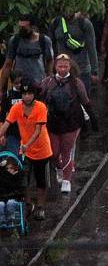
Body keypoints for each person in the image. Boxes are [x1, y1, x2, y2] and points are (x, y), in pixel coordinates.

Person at [38, 55, 91, 195]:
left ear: (70, 67)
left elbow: (85, 100)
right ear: (55, 66)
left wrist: (92, 120)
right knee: (54, 153)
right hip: (53, 123)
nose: (62, 69)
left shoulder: (76, 83)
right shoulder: (47, 82)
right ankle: (59, 168)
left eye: (65, 66)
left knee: (66, 150)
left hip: (71, 122)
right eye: (59, 66)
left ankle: (67, 180)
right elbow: (39, 99)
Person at [0, 81, 53, 219]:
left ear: (34, 95)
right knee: (23, 179)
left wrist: (27, 145)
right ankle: (29, 204)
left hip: (41, 149)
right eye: (24, 94)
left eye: (30, 93)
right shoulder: (17, 108)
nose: (27, 96)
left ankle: (40, 207)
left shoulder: (40, 107)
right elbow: (6, 124)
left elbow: (37, 130)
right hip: (25, 150)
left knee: (41, 181)